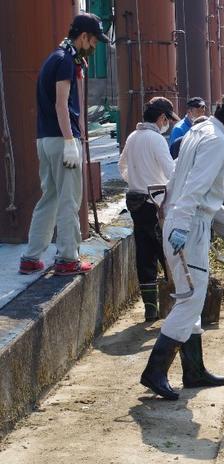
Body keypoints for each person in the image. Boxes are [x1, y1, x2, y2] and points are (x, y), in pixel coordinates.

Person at [139, 86, 224, 401]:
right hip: (190, 225)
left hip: (178, 220)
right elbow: (195, 186)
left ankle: (193, 370)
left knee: (187, 295)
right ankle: (155, 370)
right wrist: (181, 222)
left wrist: (169, 214)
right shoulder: (217, 141)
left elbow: (177, 176)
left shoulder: (198, 128)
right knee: (191, 299)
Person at [19, 13, 109, 276]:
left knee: (50, 198)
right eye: (94, 42)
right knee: (70, 200)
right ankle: (68, 258)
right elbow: (61, 104)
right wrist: (71, 140)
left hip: (45, 139)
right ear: (84, 37)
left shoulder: (54, 58)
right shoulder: (65, 62)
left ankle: (31, 257)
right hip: (61, 141)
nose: (94, 47)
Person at [118, 97, 179, 321]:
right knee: (167, 252)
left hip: (135, 200)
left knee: (144, 254)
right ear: (162, 118)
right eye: (167, 120)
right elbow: (171, 172)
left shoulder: (133, 137)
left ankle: (150, 308)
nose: (167, 124)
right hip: (156, 202)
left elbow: (121, 165)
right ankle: (174, 301)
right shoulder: (156, 140)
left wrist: (135, 180)